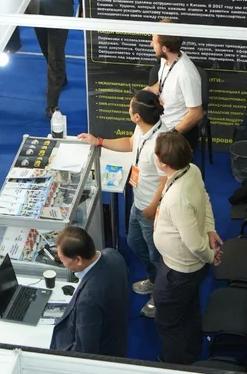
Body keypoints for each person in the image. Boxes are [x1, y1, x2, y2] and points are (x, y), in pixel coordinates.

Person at [78, 89, 165, 316]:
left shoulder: (160, 144)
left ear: (137, 116)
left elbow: (166, 181)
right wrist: (98, 141)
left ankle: (161, 296)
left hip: (151, 209)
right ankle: (154, 280)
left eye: (130, 106)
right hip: (140, 202)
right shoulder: (142, 129)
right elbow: (129, 143)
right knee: (135, 242)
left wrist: (152, 208)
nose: (128, 108)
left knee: (157, 255)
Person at [152, 132, 222, 365]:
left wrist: (211, 256)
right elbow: (204, 199)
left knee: (167, 321)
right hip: (183, 268)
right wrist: (210, 229)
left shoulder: (178, 198)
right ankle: (192, 349)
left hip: (179, 271)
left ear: (163, 163)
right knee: (188, 307)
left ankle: (174, 363)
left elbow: (193, 243)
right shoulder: (191, 170)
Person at [50, 226, 128, 357]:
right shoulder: (113, 254)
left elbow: (85, 350)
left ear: (78, 260)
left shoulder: (88, 301)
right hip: (117, 337)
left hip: (104, 354)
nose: (63, 265)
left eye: (63, 261)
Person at [145, 32, 203, 149]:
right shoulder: (167, 58)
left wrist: (171, 135)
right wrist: (149, 90)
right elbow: (164, 83)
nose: (151, 44)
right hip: (161, 122)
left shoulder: (186, 74)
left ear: (165, 48)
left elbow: (196, 114)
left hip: (176, 132)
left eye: (154, 42)